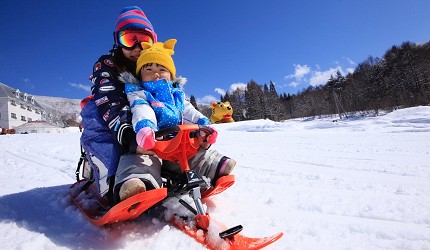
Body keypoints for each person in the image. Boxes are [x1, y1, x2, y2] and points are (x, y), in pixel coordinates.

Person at [80, 6, 235, 205]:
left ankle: (206, 168)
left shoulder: (155, 66)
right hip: (122, 123)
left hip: (161, 132)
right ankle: (126, 183)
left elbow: (183, 107)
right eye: (129, 39)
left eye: (143, 41)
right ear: (117, 41)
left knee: (186, 146)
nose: (137, 46)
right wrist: (129, 133)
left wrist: (201, 128)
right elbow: (109, 99)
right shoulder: (109, 64)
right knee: (129, 147)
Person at [118, 39, 236, 201]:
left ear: (171, 75)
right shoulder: (140, 93)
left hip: (179, 144)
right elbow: (142, 110)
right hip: (153, 144)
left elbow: (188, 111)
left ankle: (214, 167)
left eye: (161, 68)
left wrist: (204, 125)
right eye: (149, 69)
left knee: (197, 153)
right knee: (142, 161)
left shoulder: (177, 95)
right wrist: (146, 128)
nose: (156, 73)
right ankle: (137, 185)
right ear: (140, 75)